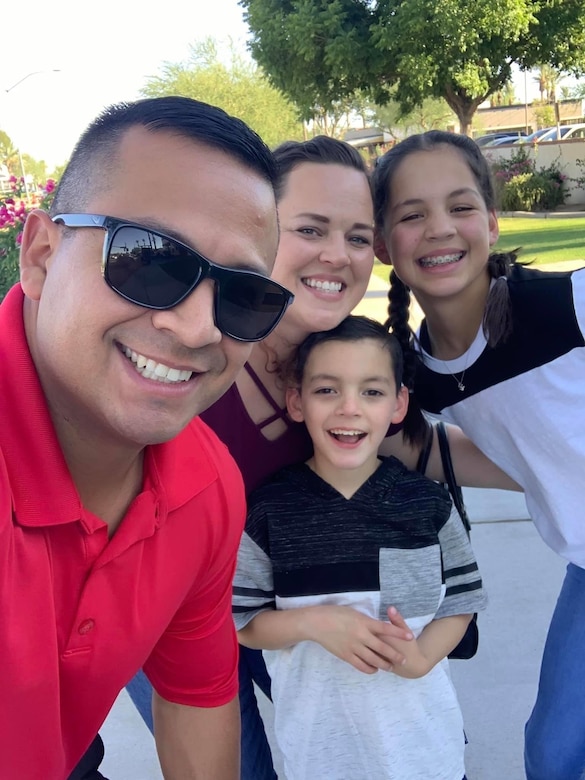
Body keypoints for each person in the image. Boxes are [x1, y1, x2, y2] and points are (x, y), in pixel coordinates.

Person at [126, 133, 517, 779]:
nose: (336, 255)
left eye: (358, 237)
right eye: (310, 229)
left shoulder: (343, 370)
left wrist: (541, 471)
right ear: (258, 229)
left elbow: (421, 449)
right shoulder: (189, 353)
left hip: (297, 609)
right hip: (170, 622)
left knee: (363, 746)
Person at [0, 95, 293, 779]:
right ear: (41, 254)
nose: (197, 329)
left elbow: (194, 696)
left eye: (243, 296)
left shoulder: (204, 486)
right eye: (150, 261)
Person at [371, 129, 585, 780]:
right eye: (412, 215)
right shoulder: (419, 371)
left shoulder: (567, 306)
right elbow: (520, 459)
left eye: (460, 207)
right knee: (554, 757)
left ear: (490, 224)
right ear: (382, 245)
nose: (440, 229)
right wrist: (393, 443)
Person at [233, 315, 487, 780]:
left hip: (426, 754)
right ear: (296, 401)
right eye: (327, 390)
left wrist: (423, 656)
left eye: (371, 391)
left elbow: (462, 601)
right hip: (321, 759)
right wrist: (316, 622)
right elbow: (243, 621)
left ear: (398, 404)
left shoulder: (427, 503)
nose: (349, 408)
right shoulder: (270, 510)